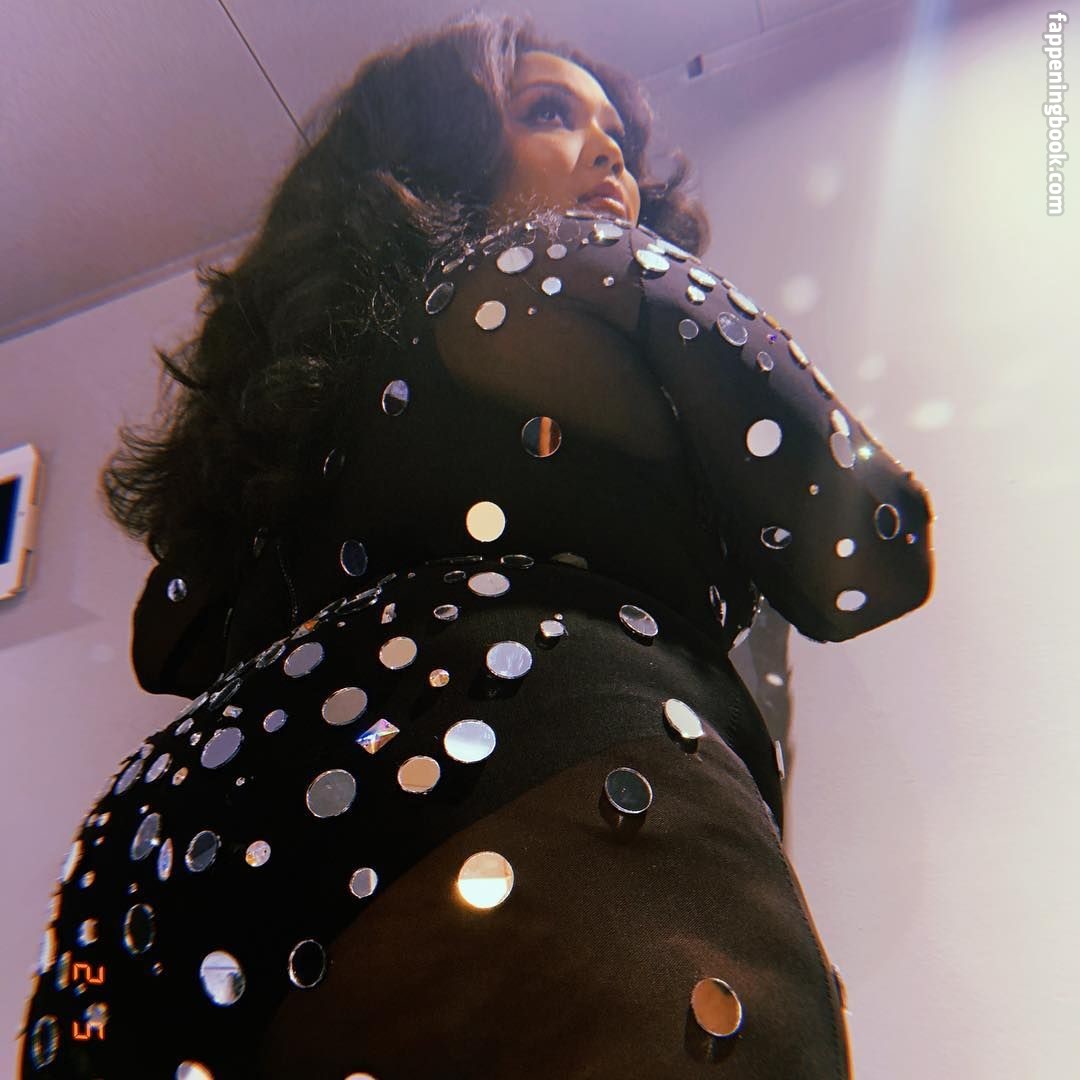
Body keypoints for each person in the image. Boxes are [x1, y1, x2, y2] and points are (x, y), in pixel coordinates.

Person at [19, 10, 934, 1078]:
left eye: (619, 142)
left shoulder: (274, 451)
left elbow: (165, 645)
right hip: (549, 804)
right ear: (434, 149)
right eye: (549, 112)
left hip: (156, 870)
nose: (608, 159)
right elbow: (872, 547)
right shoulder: (569, 259)